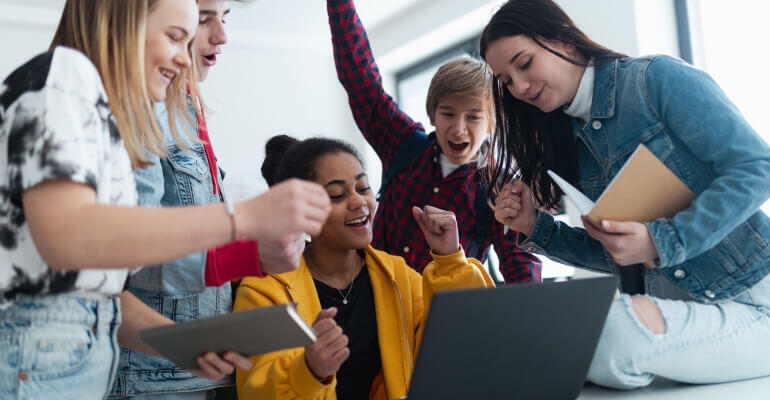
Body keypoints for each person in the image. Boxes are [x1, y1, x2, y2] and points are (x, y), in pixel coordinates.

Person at [0, 0, 331, 398]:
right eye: (175, 37)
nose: (183, 58)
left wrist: (179, 342)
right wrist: (240, 218)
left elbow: (100, 292)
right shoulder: (66, 74)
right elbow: (67, 238)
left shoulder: (104, 122)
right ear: (120, 22)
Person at [481, 0, 770, 389]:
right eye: (506, 81)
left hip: (751, 301)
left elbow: (756, 167)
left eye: (524, 63)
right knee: (557, 330)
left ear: (564, 40)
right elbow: (620, 253)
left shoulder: (655, 80)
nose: (519, 86)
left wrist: (662, 240)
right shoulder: (571, 137)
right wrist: (536, 226)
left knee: (607, 335)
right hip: (677, 314)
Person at [109, 1, 306, 398]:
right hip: (153, 379)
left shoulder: (185, 103)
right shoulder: (141, 107)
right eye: (204, 19)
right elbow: (123, 257)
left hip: (203, 370)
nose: (222, 35)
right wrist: (247, 255)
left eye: (225, 17)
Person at [234, 135, 495, 400]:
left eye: (363, 188)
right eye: (337, 195)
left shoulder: (398, 276)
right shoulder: (264, 291)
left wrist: (449, 259)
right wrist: (310, 371)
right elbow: (255, 392)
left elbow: (463, 350)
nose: (359, 202)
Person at [325, 0, 541, 283]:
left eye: (474, 117)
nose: (459, 129)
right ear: (432, 114)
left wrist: (529, 317)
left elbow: (520, 261)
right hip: (378, 303)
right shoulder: (403, 143)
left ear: (491, 124)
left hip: (446, 315)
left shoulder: (500, 187)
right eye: (448, 114)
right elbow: (360, 79)